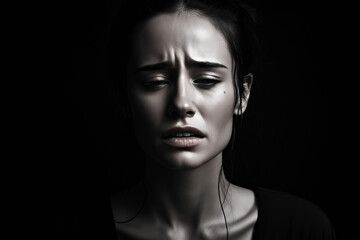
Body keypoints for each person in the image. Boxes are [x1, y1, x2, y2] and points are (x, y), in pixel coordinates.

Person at [104, 0, 336, 239]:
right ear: (124, 97)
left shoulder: (301, 229)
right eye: (156, 82)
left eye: (206, 80)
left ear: (243, 94)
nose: (181, 103)